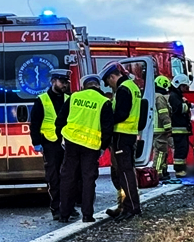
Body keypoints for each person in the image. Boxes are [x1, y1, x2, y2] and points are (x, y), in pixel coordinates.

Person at [56, 75, 113, 223]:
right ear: (98, 86)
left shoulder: (74, 97)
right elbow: (107, 129)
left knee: (68, 178)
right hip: (91, 146)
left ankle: (64, 214)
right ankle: (87, 215)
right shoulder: (104, 102)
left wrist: (61, 138)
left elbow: (60, 120)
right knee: (88, 179)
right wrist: (103, 147)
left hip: (71, 142)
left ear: (84, 86)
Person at [103, 62, 143, 220]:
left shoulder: (123, 89)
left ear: (112, 76)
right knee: (127, 171)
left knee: (125, 173)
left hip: (121, 134)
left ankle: (131, 208)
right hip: (130, 133)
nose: (109, 86)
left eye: (108, 82)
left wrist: (107, 120)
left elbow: (121, 113)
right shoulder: (132, 87)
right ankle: (128, 206)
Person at [29, 69, 70, 220]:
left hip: (67, 142)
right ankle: (56, 208)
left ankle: (68, 207)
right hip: (50, 143)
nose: (65, 85)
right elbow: (35, 123)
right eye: (62, 82)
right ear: (53, 81)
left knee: (68, 176)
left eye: (66, 82)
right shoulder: (42, 100)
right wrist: (36, 142)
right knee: (54, 177)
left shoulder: (69, 98)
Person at [169, 74, 193, 178]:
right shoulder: (174, 96)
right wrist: (187, 105)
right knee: (180, 149)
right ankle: (179, 170)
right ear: (178, 85)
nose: (185, 89)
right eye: (184, 86)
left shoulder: (177, 95)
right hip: (178, 128)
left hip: (182, 128)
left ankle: (183, 168)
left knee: (184, 149)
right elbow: (178, 109)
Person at [152, 75, 174, 181]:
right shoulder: (159, 97)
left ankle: (163, 170)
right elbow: (163, 113)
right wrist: (168, 127)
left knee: (163, 151)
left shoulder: (152, 95)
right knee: (161, 151)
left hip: (154, 129)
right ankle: (157, 173)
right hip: (160, 129)